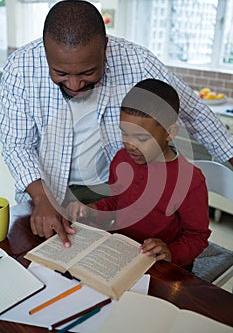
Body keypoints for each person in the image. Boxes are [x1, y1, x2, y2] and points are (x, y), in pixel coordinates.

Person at [0, 0, 231, 247]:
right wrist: (41, 198)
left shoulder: (138, 61)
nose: (74, 85)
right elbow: (16, 144)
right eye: (61, 74)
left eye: (88, 73)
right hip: (42, 187)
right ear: (45, 52)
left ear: (105, 47)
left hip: (106, 187)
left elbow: (194, 113)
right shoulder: (19, 68)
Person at [66, 79, 211, 269]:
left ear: (169, 132)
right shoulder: (121, 159)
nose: (130, 144)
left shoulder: (190, 180)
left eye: (142, 137)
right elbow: (115, 202)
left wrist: (170, 252)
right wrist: (91, 210)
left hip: (164, 266)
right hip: (120, 252)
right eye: (124, 133)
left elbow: (197, 237)